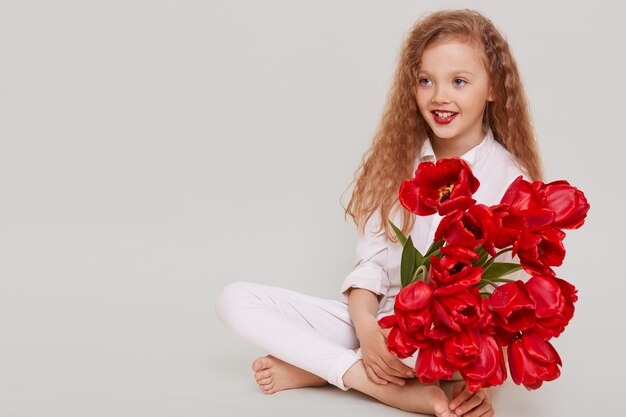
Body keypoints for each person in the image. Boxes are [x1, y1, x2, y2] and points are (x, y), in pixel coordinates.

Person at [216, 9, 543, 417]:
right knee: (235, 301)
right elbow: (370, 263)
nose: (440, 95)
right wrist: (368, 330)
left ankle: (321, 368)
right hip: (379, 322)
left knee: (438, 359)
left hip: (443, 341)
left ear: (493, 87)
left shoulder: (512, 180)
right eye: (426, 81)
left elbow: (507, 301)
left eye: (459, 81)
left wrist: (481, 384)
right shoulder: (399, 161)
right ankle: (371, 381)